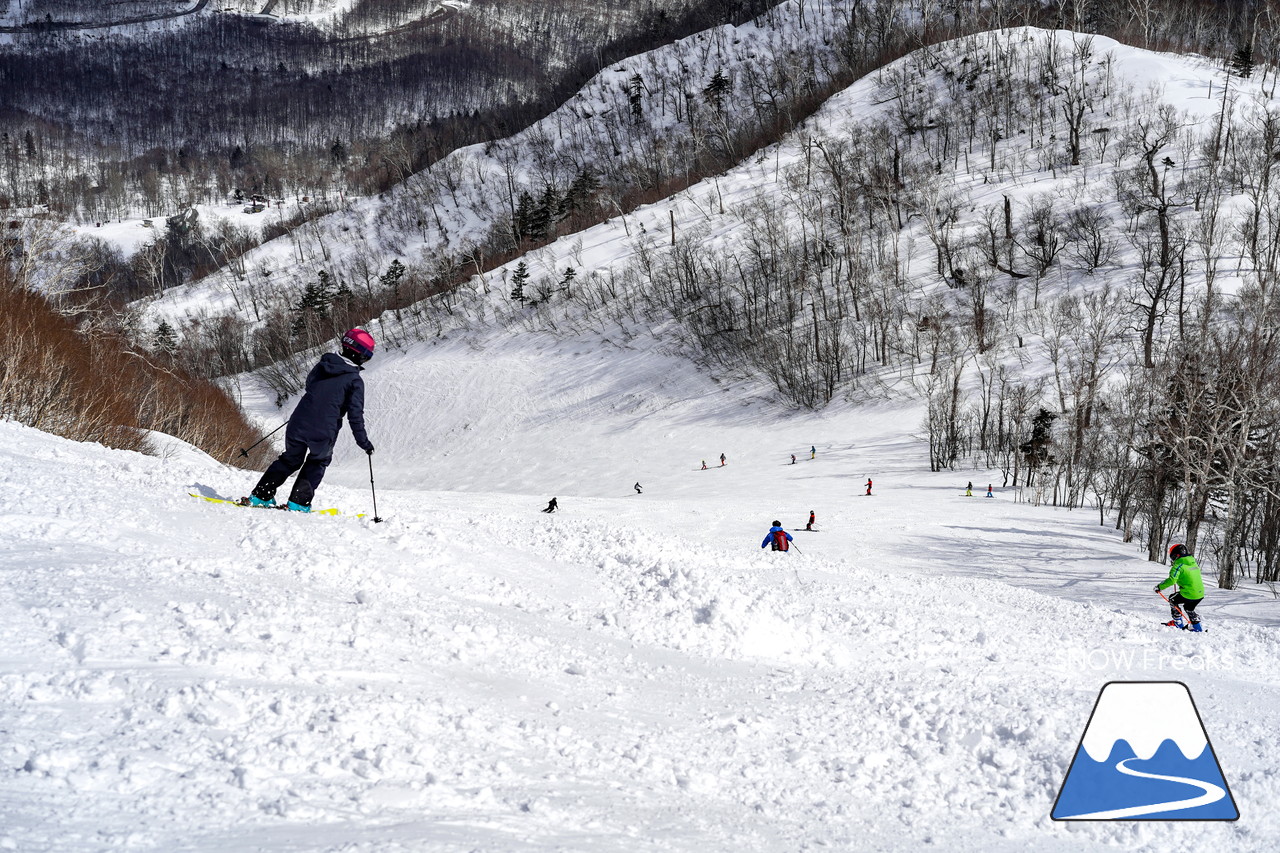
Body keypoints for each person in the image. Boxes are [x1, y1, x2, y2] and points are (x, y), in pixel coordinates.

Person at [248, 328, 375, 512]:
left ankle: (261, 495)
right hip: (323, 432)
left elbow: (310, 386)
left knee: (290, 459)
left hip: (298, 422)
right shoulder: (354, 380)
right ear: (360, 355)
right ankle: (298, 502)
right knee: (318, 461)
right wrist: (364, 443)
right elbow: (355, 417)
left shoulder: (322, 365)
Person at [1157, 543, 1205, 631]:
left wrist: (1159, 587)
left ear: (1176, 555)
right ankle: (1197, 628)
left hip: (1188, 593)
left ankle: (1177, 623)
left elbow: (1172, 580)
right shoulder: (1194, 564)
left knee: (1172, 599)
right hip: (1200, 594)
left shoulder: (1178, 566)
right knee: (1188, 608)